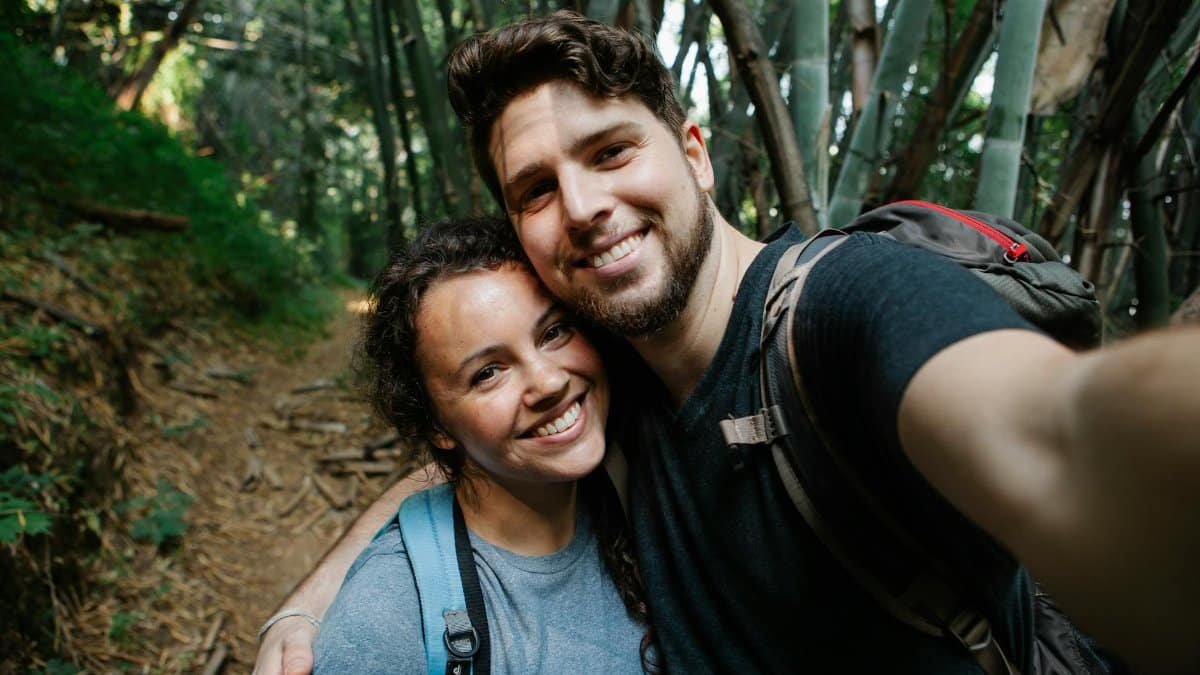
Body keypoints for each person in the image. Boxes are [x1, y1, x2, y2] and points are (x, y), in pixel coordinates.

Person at [257, 12, 1200, 675]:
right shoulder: (607, 372)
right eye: (535, 190)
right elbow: (465, 454)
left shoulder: (842, 311)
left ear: (695, 153)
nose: (583, 208)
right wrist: (311, 605)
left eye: (611, 151)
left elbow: (1056, 431)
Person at [310, 217, 654, 673]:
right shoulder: (386, 622)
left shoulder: (646, 491)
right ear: (436, 425)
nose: (549, 382)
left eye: (553, 332)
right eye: (488, 372)